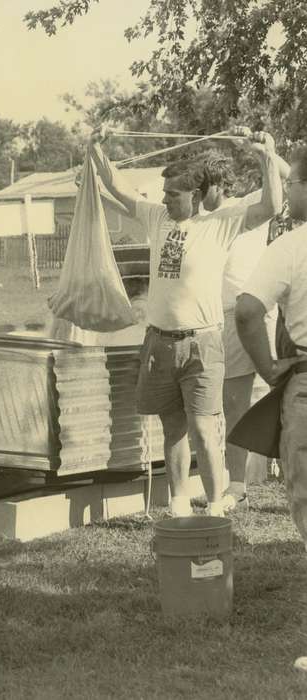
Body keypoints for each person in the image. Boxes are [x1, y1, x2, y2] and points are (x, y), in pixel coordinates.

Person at [89, 126, 283, 517]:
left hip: (203, 343)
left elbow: (272, 207)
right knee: (173, 428)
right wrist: (95, 150)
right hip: (159, 342)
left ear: (194, 196)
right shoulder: (156, 217)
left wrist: (266, 155)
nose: (164, 200)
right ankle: (178, 503)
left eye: (172, 195)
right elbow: (121, 190)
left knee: (205, 429)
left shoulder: (221, 222)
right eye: (164, 194)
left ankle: (215, 505)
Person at [200, 152, 289, 511]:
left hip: (260, 311)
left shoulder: (249, 203)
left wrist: (264, 150)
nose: (196, 194)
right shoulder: (199, 218)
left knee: (287, 393)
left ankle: (292, 472)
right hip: (223, 317)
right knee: (232, 404)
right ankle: (236, 485)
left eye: (201, 187)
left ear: (218, 185)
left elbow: (284, 182)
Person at [235, 145, 307, 543]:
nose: (288, 193)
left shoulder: (291, 247)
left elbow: (246, 312)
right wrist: (271, 154)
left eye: (291, 183)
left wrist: (266, 368)